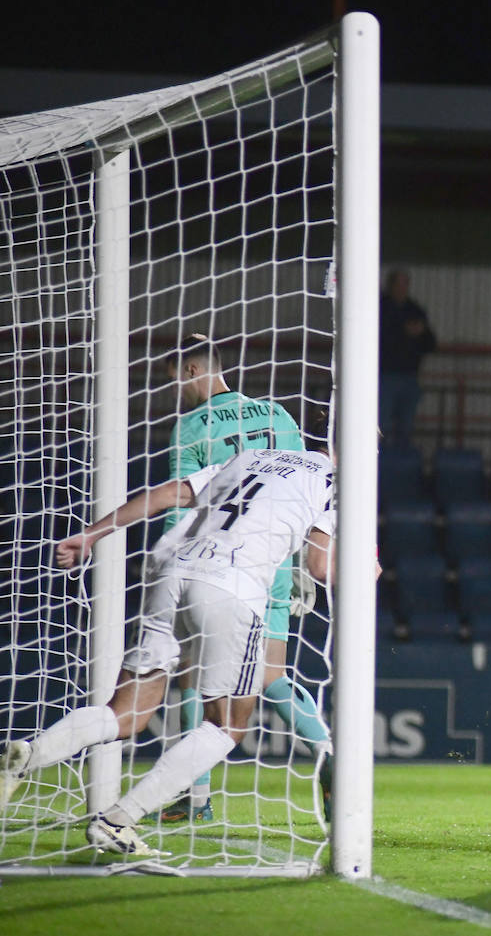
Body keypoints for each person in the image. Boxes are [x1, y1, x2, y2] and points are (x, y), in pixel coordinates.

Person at [0, 440, 340, 856]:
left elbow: (170, 494)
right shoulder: (335, 483)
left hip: (174, 572)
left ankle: (28, 754)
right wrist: (364, 568)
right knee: (226, 725)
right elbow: (320, 567)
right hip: (233, 586)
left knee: (126, 712)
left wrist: (90, 535)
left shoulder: (255, 456)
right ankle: (116, 821)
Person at [157, 335, 333, 823]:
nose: (176, 390)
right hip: (275, 562)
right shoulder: (278, 414)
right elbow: (311, 487)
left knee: (196, 677)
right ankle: (330, 757)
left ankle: (193, 797)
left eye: (175, 379)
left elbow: (181, 510)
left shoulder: (190, 428)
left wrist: (169, 571)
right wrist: (301, 563)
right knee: (271, 676)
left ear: (191, 372)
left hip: (220, 562)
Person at [378, 268, 437, 448]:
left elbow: (431, 344)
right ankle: (379, 463)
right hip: (384, 376)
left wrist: (421, 333)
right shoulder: (379, 307)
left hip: (409, 377)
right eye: (400, 283)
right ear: (391, 285)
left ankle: (400, 467)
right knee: (381, 424)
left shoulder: (415, 310)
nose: (403, 287)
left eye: (406, 283)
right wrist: (403, 332)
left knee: (406, 426)